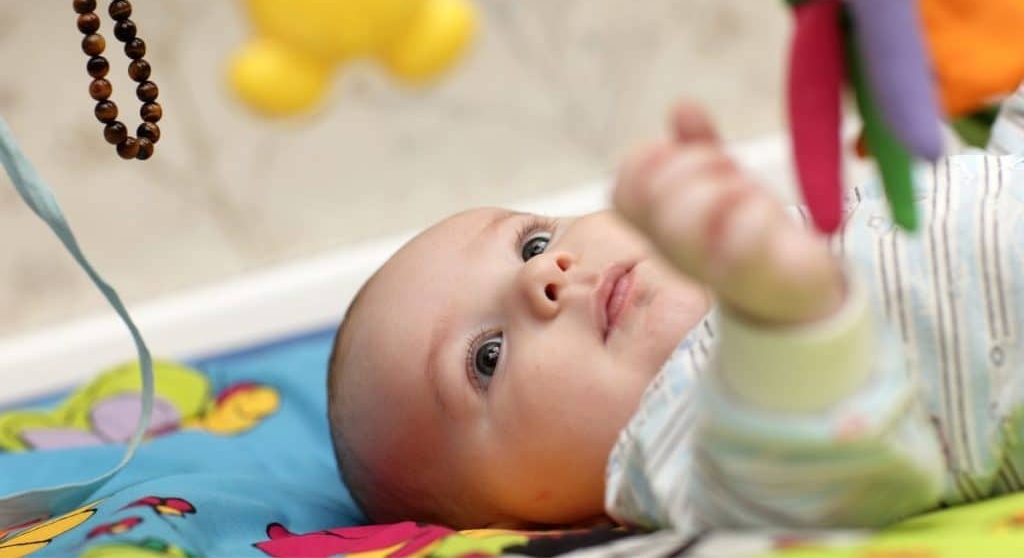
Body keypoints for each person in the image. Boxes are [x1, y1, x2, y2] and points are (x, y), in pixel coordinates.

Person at [326, 90, 1024, 534]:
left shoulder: (738, 249)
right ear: (527, 521)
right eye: (488, 357)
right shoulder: (682, 452)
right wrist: (798, 319)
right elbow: (854, 468)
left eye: (532, 242)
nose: (544, 273)